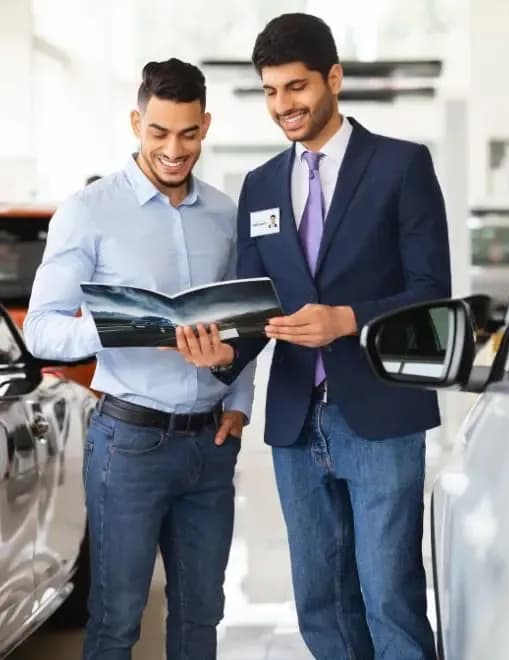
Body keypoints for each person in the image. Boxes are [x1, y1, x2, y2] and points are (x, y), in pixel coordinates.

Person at [176, 13, 450, 660]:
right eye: (270, 91)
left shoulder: (401, 166)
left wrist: (347, 319)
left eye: (296, 87)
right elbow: (255, 310)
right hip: (298, 421)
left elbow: (432, 293)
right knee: (321, 603)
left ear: (334, 78)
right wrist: (223, 354)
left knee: (389, 596)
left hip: (382, 414)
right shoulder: (261, 186)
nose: (283, 106)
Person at [24, 58, 256, 660]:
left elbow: (243, 321)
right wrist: (125, 329)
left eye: (188, 133)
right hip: (128, 445)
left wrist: (238, 402)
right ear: (136, 123)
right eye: (159, 132)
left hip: (210, 445)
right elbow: (42, 331)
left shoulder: (225, 215)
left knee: (202, 617)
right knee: (117, 618)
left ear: (206, 126)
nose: (174, 150)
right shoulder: (89, 211)